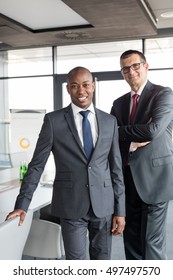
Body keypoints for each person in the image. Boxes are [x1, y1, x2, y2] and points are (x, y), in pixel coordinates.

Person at [6, 66, 125, 260]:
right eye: (74, 86)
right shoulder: (53, 121)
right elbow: (37, 165)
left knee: (102, 260)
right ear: (68, 89)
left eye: (86, 85)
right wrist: (22, 204)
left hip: (103, 205)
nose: (81, 91)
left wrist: (120, 211)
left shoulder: (109, 121)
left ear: (93, 86)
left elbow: (116, 169)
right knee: (75, 263)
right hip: (71, 205)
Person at [110, 49, 173, 260]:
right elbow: (109, 139)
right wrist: (130, 138)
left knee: (151, 242)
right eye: (125, 68)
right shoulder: (118, 104)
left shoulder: (163, 94)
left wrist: (119, 131)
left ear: (146, 66)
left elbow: (153, 130)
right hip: (127, 183)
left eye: (135, 65)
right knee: (132, 241)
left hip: (155, 181)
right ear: (122, 73)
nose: (131, 71)